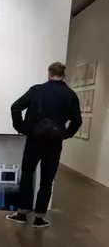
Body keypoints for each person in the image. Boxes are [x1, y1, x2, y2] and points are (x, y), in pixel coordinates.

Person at [6, 62, 82, 228]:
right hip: (54, 143)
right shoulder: (70, 95)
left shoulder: (36, 90)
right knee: (47, 180)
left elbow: (15, 107)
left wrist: (21, 127)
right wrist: (65, 134)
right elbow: (77, 121)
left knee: (27, 175)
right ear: (63, 76)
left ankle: (22, 213)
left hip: (34, 140)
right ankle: (39, 218)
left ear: (49, 75)